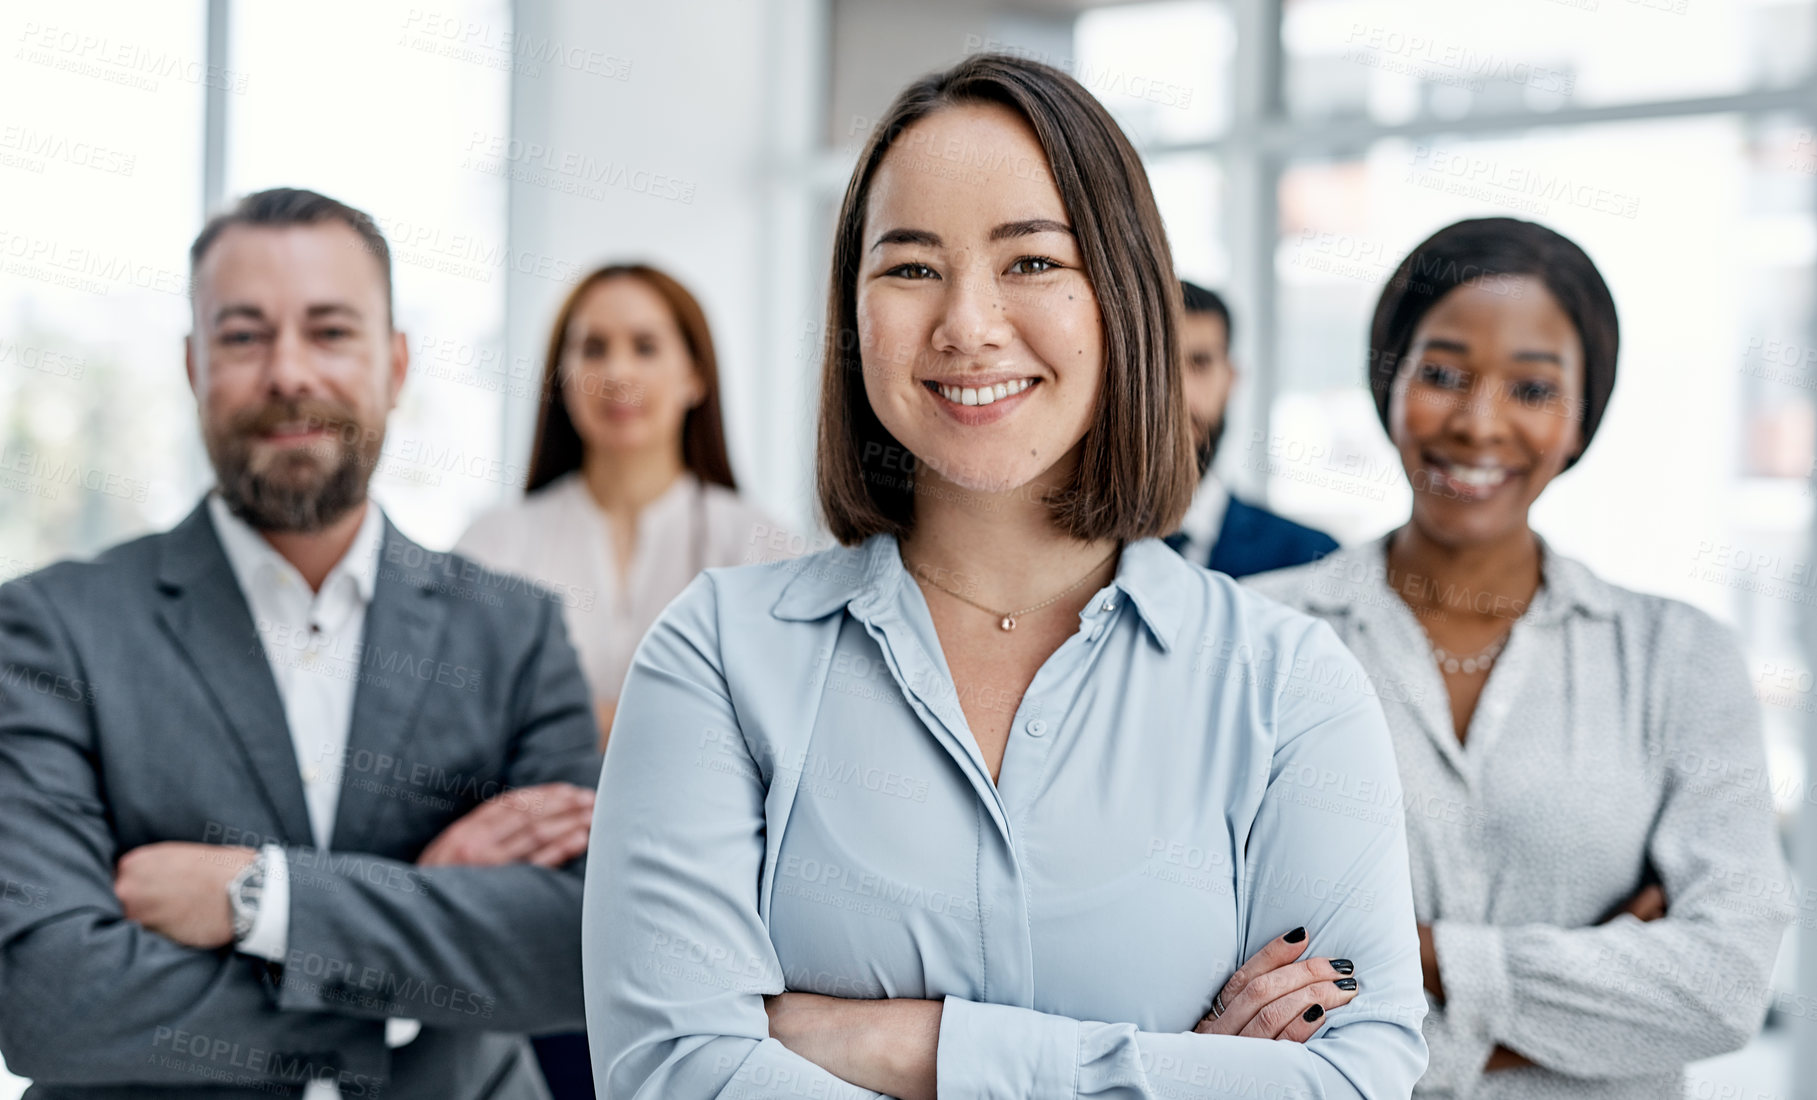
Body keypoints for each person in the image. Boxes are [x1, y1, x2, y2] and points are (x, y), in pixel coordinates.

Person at [582, 54, 1428, 1100]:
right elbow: (672, 1073)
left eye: (1029, 263)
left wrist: (914, 1047)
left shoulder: (1285, 683)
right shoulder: (716, 652)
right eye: (909, 266)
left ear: (1118, 296)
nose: (966, 324)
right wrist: (1183, 1065)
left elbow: (1354, 1082)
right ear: (853, 317)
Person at [0, 188, 602, 1099]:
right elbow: (48, 999)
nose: (289, 372)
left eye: (330, 331)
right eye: (243, 336)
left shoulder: (513, 632)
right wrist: (408, 952)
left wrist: (263, 896)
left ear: (395, 366)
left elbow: (574, 950)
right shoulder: (52, 629)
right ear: (194, 366)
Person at [1246, 217, 1792, 1097]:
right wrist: (1601, 987)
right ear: (1388, 384)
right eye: (1442, 374)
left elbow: (1726, 985)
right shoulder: (1256, 636)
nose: (1477, 423)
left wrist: (1414, 957)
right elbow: (1210, 968)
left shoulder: (1678, 658)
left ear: (1582, 417)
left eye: (1532, 389)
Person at [456, 263, 793, 751]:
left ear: (695, 376)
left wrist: (557, 721)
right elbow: (460, 721)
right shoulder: (493, 543)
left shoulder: (764, 547)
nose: (617, 373)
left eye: (645, 347)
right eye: (593, 349)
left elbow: (774, 728)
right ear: (562, 376)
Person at [1166, 280, 1338, 577]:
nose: (1179, 393)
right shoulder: (1074, 554)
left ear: (1231, 379)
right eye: (1159, 365)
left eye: (1200, 363)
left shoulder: (1311, 561)